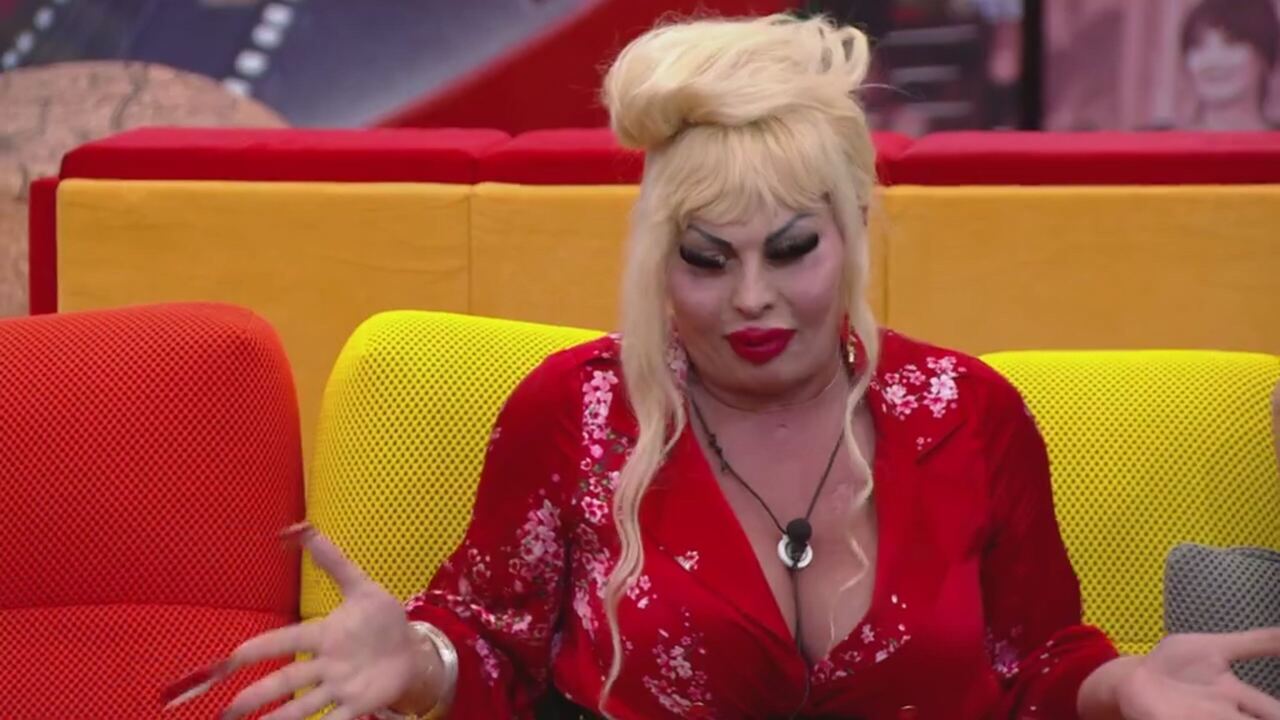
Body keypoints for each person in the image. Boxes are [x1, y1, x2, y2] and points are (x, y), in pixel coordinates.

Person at [196, 14, 1280, 720]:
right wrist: (419, 666)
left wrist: (1121, 685)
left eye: (792, 250)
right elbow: (490, 650)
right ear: (654, 260)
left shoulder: (970, 414)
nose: (752, 298)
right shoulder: (574, 414)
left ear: (854, 232)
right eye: (706, 260)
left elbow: (1035, 665)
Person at [1180, 0, 1280, 131]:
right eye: (1198, 45)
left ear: (1264, 58)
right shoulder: (1160, 140)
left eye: (1231, 43)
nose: (1212, 62)